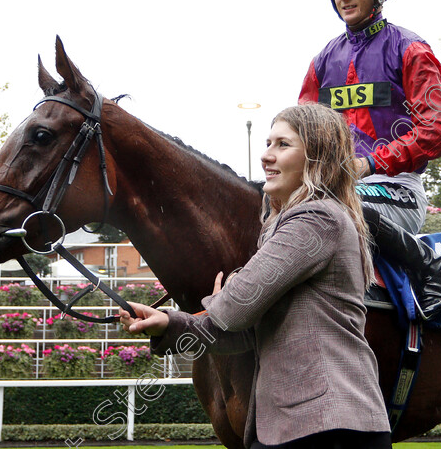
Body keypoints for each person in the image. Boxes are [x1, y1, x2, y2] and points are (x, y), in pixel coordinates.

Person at [121, 104, 392, 449]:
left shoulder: (315, 219)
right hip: (295, 427)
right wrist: (170, 323)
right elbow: (246, 330)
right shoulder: (283, 226)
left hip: (330, 428)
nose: (266, 155)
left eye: (282, 145)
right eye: (267, 143)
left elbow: (234, 310)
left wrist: (227, 294)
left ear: (317, 158)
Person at [298, 0, 441, 320]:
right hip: (328, 189)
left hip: (395, 190)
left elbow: (438, 129)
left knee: (340, 208)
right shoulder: (322, 60)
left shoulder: (410, 48)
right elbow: (302, 129)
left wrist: (369, 164)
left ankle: (433, 267)